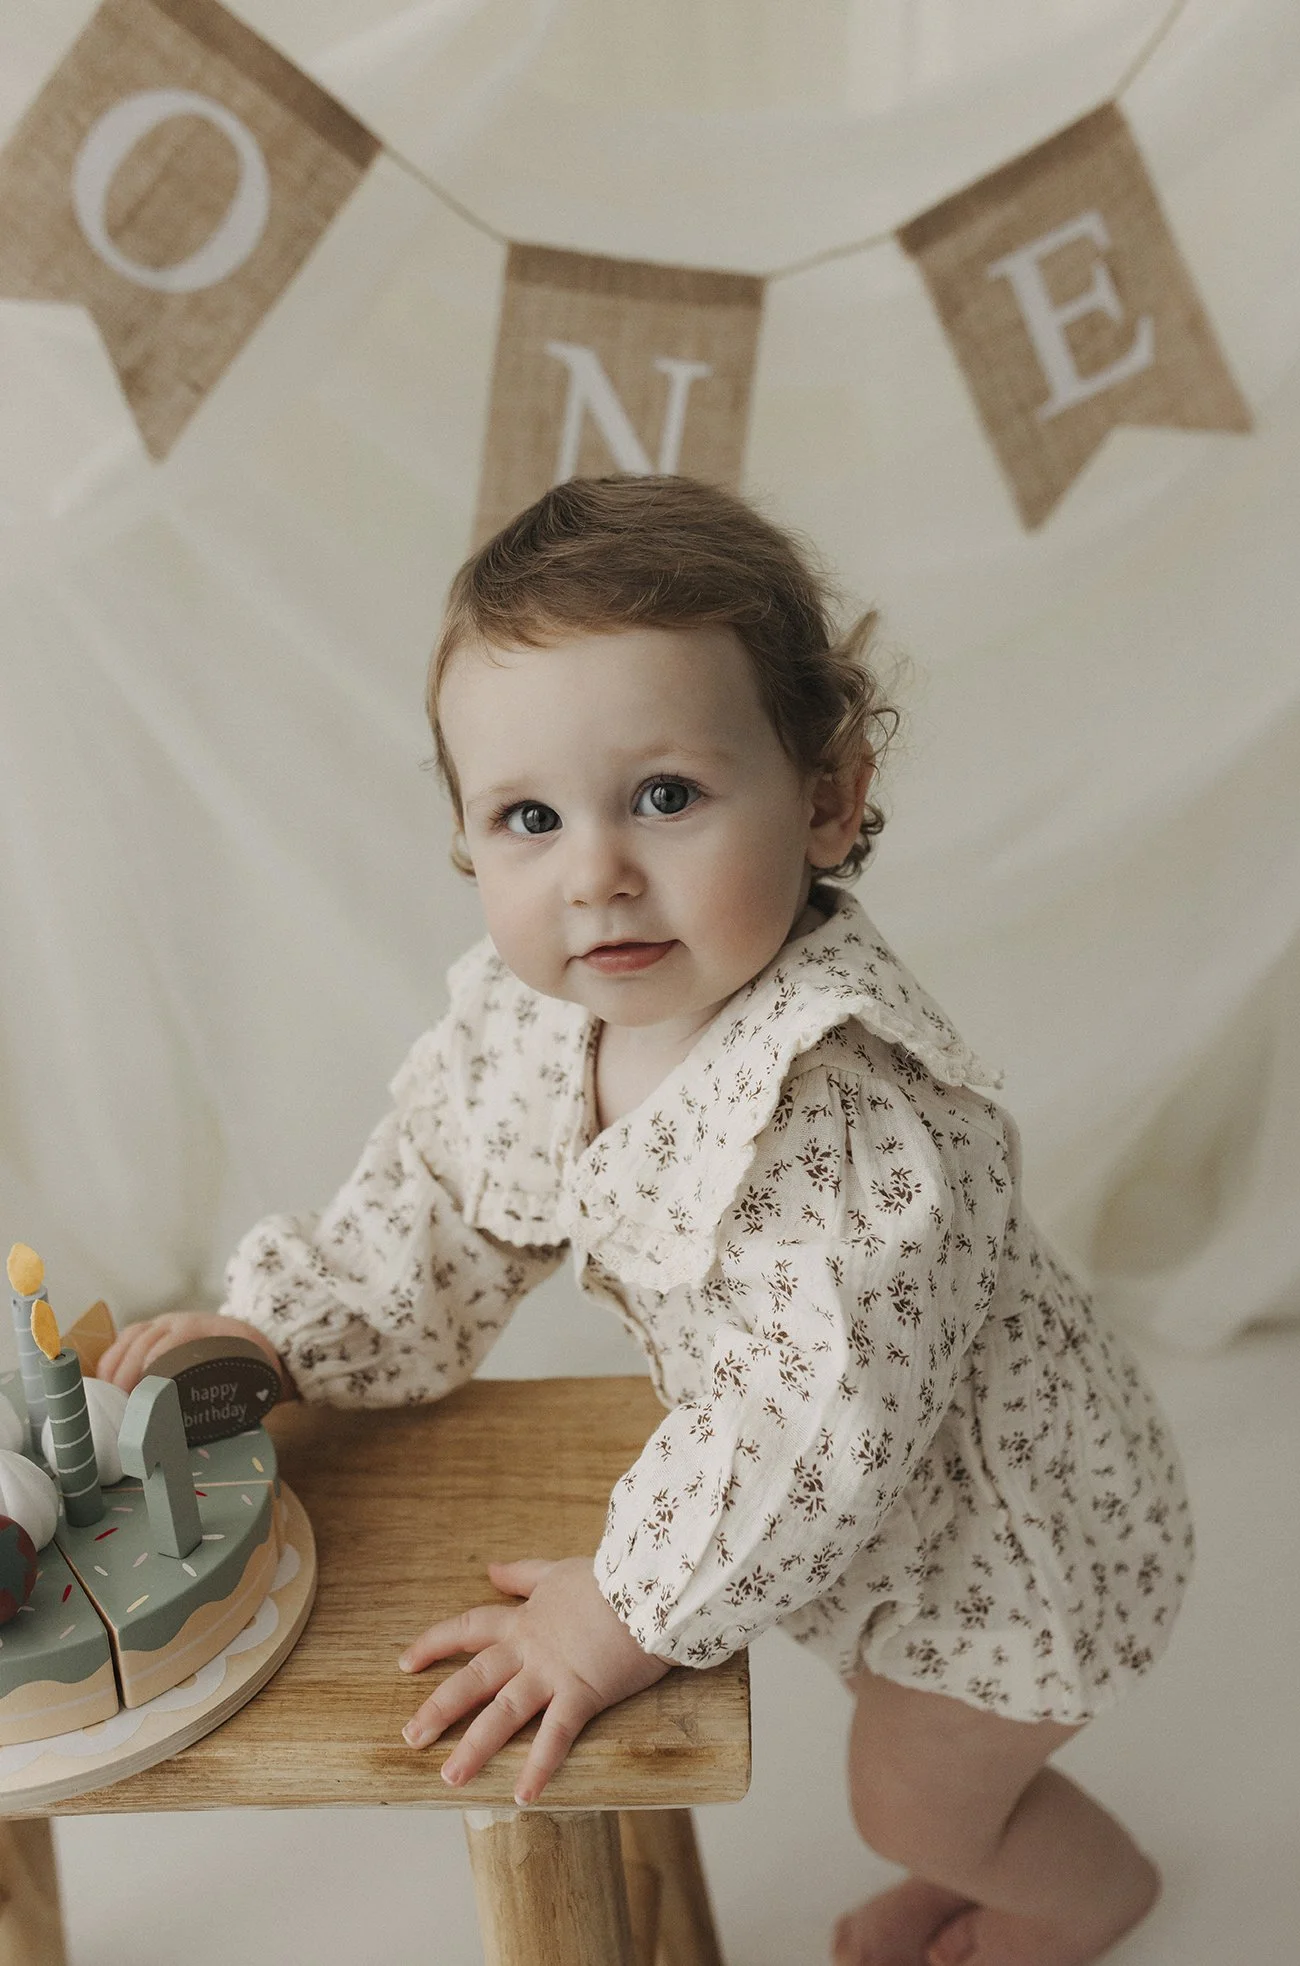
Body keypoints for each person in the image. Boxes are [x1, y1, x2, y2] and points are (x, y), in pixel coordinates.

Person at [98, 475, 1193, 1966]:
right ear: (469, 838)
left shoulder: (847, 1114)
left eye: (664, 796)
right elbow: (440, 1207)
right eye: (528, 818)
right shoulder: (546, 1022)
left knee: (909, 1798)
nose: (597, 871)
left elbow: (805, 1426)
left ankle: (1073, 1892)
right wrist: (280, 1335)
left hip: (1007, 1540)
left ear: (824, 795)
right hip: (874, 1522)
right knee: (905, 1757)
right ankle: (991, 1847)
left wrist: (614, 1614)